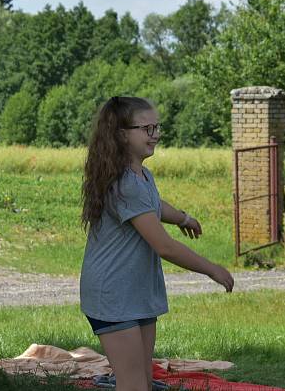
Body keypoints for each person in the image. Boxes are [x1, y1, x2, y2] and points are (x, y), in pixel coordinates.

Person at [79, 96, 234, 391]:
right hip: (113, 296)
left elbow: (155, 205)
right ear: (122, 134)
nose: (156, 135)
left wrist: (183, 218)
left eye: (157, 127)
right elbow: (164, 246)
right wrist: (211, 269)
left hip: (135, 293)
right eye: (147, 129)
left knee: (143, 383)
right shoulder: (124, 183)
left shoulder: (141, 176)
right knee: (133, 384)